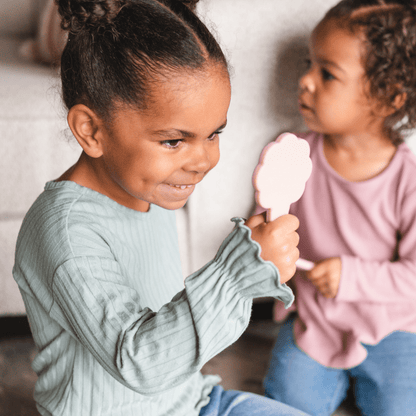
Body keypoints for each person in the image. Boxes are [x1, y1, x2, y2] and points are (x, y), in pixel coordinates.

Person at [12, 1, 308, 415]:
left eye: (213, 134)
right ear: (91, 130)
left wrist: (253, 266)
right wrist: (234, 276)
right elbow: (139, 362)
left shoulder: (150, 188)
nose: (203, 160)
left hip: (193, 401)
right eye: (174, 141)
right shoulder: (65, 232)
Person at [262, 1, 416, 415]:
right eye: (308, 65)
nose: (305, 80)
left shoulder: (408, 180)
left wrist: (352, 276)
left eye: (327, 73)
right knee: (287, 400)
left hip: (394, 326)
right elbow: (270, 220)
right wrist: (264, 242)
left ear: (388, 98)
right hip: (317, 317)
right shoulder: (294, 155)